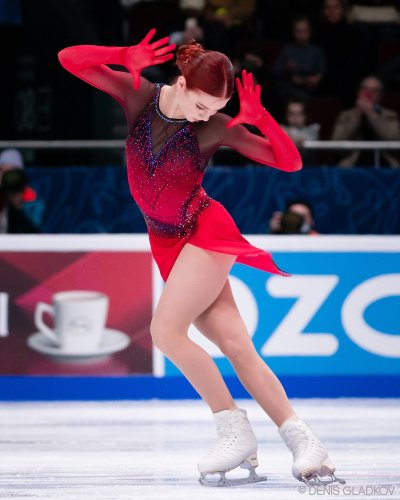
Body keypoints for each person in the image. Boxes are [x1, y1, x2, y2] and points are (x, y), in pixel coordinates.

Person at [58, 28, 344, 487]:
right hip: (166, 241)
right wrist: (122, 53)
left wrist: (261, 119)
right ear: (182, 83)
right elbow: (69, 57)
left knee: (166, 332)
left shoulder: (214, 128)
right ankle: (305, 442)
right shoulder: (139, 96)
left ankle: (233, 429)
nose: (205, 116)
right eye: (201, 105)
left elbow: (289, 162)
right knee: (236, 346)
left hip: (204, 229)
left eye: (215, 109)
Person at [331, 75, 400, 166]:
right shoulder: (346, 116)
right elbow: (336, 144)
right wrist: (356, 116)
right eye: (365, 89)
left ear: (381, 95)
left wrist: (371, 115)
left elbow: (395, 140)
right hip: (352, 166)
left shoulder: (390, 116)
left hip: (385, 166)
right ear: (358, 92)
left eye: (374, 91)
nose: (369, 94)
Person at [273, 16, 326, 101]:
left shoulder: (317, 52)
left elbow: (320, 73)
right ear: (293, 32)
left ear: (310, 32)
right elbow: (276, 71)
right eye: (298, 31)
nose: (301, 35)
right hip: (290, 91)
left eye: (304, 31)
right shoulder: (287, 50)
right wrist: (286, 67)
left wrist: (306, 80)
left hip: (310, 91)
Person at [280, 100, 320, 165]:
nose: (295, 118)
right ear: (286, 116)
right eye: (291, 114)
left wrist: (289, 136)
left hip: (309, 167)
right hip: (288, 167)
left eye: (299, 114)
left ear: (305, 116)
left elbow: (310, 137)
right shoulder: (282, 129)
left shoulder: (313, 129)